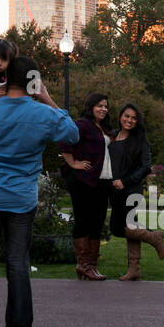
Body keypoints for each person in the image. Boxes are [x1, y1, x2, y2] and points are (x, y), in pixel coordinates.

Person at [0, 56, 79, 327]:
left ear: (4, 78)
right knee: (18, 264)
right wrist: (47, 99)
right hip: (22, 197)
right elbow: (72, 134)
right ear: (33, 82)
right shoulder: (42, 114)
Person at [105, 103, 164, 280]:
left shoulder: (140, 140)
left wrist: (125, 182)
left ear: (137, 121)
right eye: (126, 116)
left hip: (130, 190)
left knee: (118, 228)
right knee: (129, 227)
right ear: (120, 116)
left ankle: (154, 238)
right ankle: (134, 269)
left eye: (133, 118)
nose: (129, 120)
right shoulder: (113, 135)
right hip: (113, 190)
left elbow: (146, 167)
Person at [57, 92, 112, 281]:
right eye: (100, 105)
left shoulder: (104, 128)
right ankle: (83, 264)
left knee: (97, 222)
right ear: (91, 107)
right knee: (83, 220)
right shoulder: (82, 124)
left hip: (102, 180)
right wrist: (73, 163)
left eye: (106, 106)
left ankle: (92, 266)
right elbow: (64, 139)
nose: (104, 109)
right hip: (83, 179)